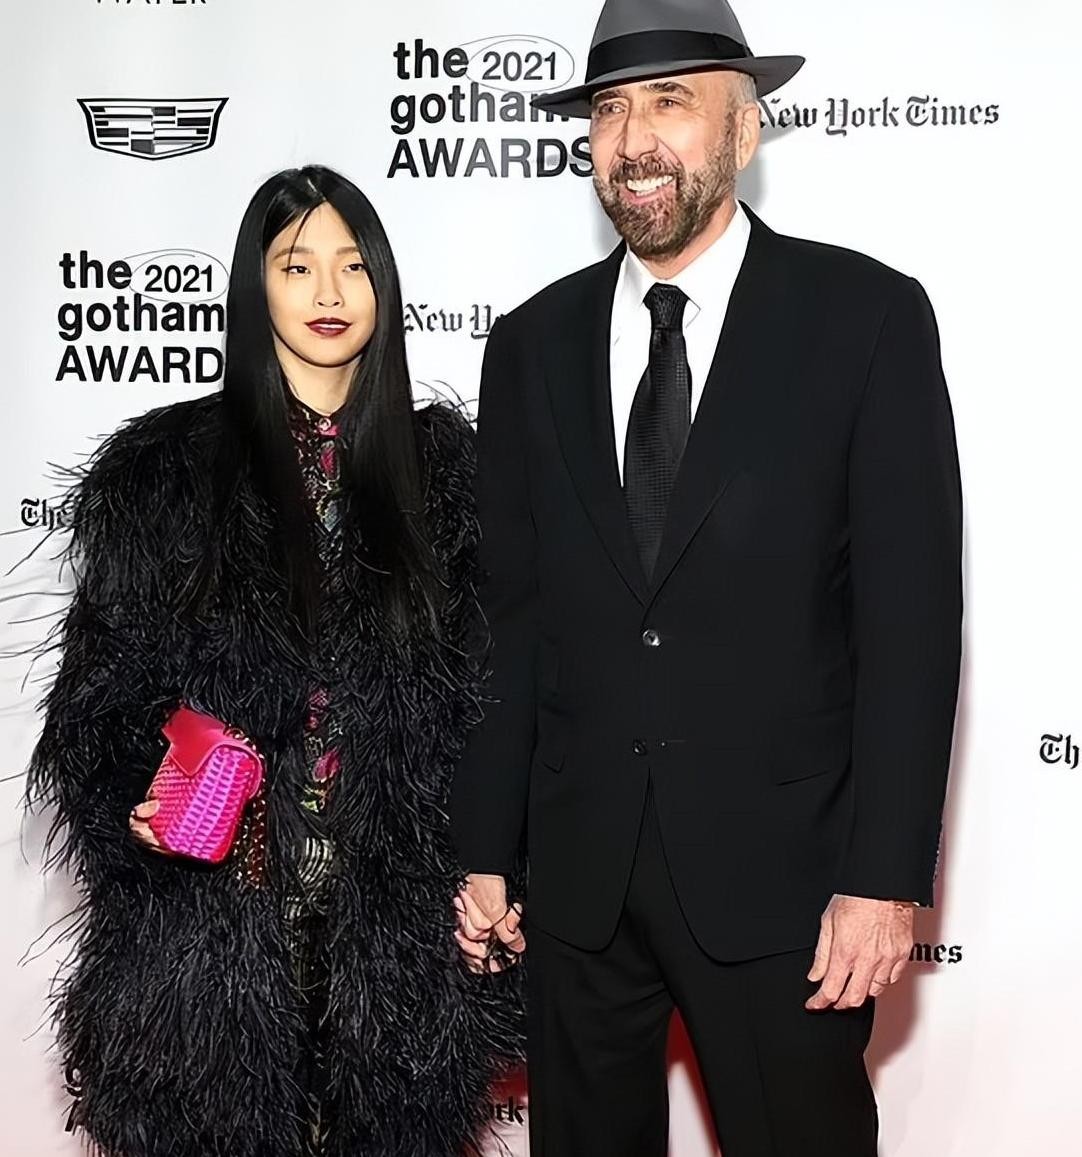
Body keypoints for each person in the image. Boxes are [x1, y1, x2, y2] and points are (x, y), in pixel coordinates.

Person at [449, 1, 963, 1154]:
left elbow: (911, 624)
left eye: (669, 101)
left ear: (745, 126)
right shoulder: (528, 343)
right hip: (575, 887)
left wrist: (882, 876)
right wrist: (482, 845)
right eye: (607, 109)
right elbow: (509, 621)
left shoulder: (864, 317)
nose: (632, 139)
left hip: (786, 885)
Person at [27, 165, 521, 1157]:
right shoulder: (168, 473)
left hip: (398, 929)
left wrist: (494, 864)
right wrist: (136, 796)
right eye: (297, 266)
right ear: (256, 288)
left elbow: (493, 701)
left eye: (352, 265)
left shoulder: (447, 476)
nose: (328, 292)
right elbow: (96, 703)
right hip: (213, 917)